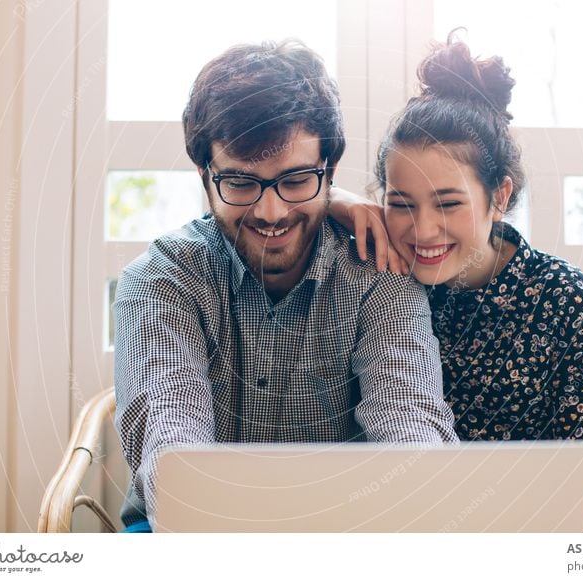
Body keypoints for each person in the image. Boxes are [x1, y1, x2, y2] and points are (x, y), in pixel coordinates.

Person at [113, 40, 458, 532]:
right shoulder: (162, 282)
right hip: (189, 537)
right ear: (204, 176)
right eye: (240, 182)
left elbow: (412, 437)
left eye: (295, 180)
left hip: (344, 536)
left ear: (330, 171)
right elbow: (176, 464)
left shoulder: (377, 271)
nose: (270, 213)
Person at [331, 33, 583, 532]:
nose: (423, 230)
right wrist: (337, 202)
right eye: (401, 203)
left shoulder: (565, 301)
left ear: (499, 196)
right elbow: (291, 198)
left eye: (448, 203)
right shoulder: (378, 276)